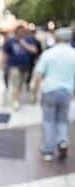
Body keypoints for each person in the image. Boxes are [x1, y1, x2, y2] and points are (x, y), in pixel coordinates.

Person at [32, 28, 75, 162]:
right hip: (67, 91)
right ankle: (62, 141)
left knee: (48, 120)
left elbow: (38, 75)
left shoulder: (48, 54)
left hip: (49, 90)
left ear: (56, 38)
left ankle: (48, 150)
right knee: (62, 120)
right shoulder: (73, 54)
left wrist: (34, 91)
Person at [3, 25, 38, 110]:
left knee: (21, 85)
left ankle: (17, 99)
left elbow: (35, 50)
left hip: (25, 67)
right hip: (14, 66)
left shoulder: (28, 40)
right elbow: (5, 53)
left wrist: (24, 44)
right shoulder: (11, 41)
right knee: (16, 85)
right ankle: (15, 102)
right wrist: (3, 64)